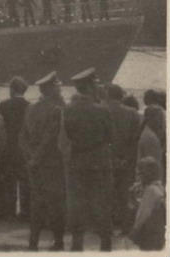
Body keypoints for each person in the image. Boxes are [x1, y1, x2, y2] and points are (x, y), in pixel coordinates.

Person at [59, 67, 113, 251]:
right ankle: (105, 245)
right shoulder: (102, 110)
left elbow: (65, 138)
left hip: (77, 162)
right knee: (102, 203)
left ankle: (77, 245)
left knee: (77, 204)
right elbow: (110, 137)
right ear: (90, 86)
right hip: (99, 162)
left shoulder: (68, 110)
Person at [19, 71, 66, 251]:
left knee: (36, 203)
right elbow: (49, 138)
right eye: (58, 86)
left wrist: (30, 157)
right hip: (51, 164)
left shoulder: (30, 108)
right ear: (52, 88)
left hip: (34, 164)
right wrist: (37, 157)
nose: (60, 89)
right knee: (56, 204)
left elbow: (21, 137)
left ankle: (33, 243)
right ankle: (58, 242)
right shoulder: (57, 110)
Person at [105, 83, 141, 231]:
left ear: (108, 95)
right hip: (127, 159)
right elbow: (135, 139)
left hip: (107, 158)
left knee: (107, 192)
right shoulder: (133, 113)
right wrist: (126, 158)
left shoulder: (102, 110)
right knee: (126, 193)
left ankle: (109, 225)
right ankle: (126, 226)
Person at [0, 76, 30, 221]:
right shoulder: (29, 106)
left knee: (9, 181)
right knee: (24, 181)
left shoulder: (4, 105)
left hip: (8, 147)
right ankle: (25, 212)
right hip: (23, 148)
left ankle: (8, 211)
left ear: (12, 89)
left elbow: (0, 127)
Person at [127, 157, 165, 250]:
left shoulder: (150, 190)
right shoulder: (160, 187)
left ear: (147, 174)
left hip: (150, 234)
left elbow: (143, 213)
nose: (138, 177)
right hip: (159, 233)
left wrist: (134, 230)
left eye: (140, 174)